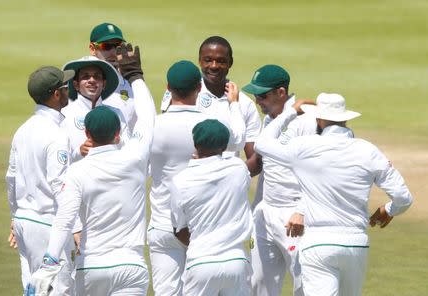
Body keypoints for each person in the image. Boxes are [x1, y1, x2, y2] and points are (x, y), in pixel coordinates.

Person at [25, 46, 155, 296]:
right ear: (118, 134)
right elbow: (148, 117)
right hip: (131, 265)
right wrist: (136, 76)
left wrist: (48, 265)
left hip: (92, 267)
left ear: (87, 134)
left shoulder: (77, 172)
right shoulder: (136, 158)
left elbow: (64, 220)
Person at [254, 93, 414, 296]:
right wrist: (388, 209)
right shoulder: (368, 150)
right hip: (355, 243)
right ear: (345, 118)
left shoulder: (305, 147)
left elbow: (262, 143)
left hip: (318, 242)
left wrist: (291, 112)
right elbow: (404, 198)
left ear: (318, 119)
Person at [148, 60, 242, 295]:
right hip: (204, 229)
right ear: (199, 88)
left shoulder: (152, 126)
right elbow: (238, 139)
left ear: (168, 87)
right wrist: (234, 105)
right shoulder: (210, 124)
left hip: (163, 223)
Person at [242, 64, 316, 296]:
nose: (257, 101)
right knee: (258, 285)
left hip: (295, 217)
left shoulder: (308, 120)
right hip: (266, 214)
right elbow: (267, 167)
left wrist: (302, 210)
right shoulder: (271, 118)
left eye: (262, 95)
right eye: (255, 96)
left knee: (303, 286)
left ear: (281, 93)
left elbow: (317, 173)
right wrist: (258, 207)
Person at [6, 66, 76, 295]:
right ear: (57, 94)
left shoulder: (22, 130)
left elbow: (11, 179)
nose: (69, 90)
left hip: (24, 222)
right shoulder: (56, 134)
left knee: (34, 290)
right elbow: (60, 186)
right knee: (58, 290)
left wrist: (15, 217)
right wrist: (75, 226)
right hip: (47, 224)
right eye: (66, 87)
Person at [170, 119, 254, 296]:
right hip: (236, 261)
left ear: (195, 144)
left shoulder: (181, 181)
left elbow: (179, 231)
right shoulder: (238, 168)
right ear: (224, 146)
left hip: (201, 262)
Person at [161, 36, 261, 165]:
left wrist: (232, 176)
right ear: (200, 61)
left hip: (227, 182)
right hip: (186, 179)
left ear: (230, 62)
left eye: (221, 61)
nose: (214, 66)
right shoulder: (184, 93)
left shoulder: (245, 104)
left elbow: (255, 159)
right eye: (208, 60)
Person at [61, 56, 128, 162]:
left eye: (97, 76)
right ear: (76, 84)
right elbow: (59, 158)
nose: (92, 80)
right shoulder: (64, 114)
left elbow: (128, 149)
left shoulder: (116, 113)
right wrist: (79, 152)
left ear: (104, 84)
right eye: (85, 77)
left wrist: (116, 142)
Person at [88, 22, 137, 134]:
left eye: (118, 46)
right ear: (92, 49)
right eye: (106, 46)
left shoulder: (132, 82)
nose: (113, 52)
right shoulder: (80, 84)